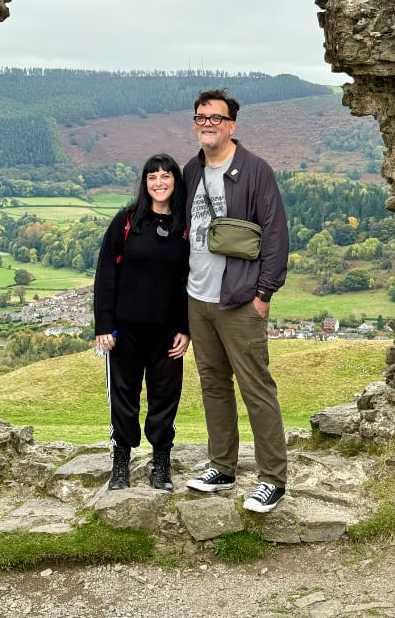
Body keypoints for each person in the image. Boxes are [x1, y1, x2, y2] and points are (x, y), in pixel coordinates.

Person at [181, 88, 292, 513]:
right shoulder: (192, 170)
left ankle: (272, 478)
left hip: (241, 298)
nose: (207, 124)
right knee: (213, 385)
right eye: (200, 118)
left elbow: (276, 234)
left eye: (215, 118)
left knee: (256, 387)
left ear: (232, 125)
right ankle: (223, 467)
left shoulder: (254, 170)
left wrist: (264, 293)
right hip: (198, 297)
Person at [92, 153, 191, 492]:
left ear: (175, 182)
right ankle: (120, 460)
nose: (159, 182)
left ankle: (160, 462)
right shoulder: (126, 220)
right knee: (123, 395)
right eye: (152, 177)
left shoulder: (185, 226)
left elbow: (188, 282)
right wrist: (103, 326)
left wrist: (186, 328)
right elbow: (106, 273)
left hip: (167, 332)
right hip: (125, 330)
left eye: (166, 176)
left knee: (165, 397)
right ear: (145, 183)